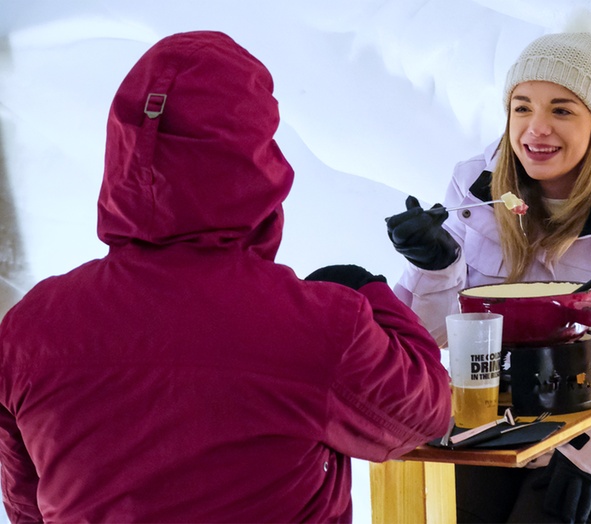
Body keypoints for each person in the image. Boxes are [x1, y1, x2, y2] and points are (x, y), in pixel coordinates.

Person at [0, 31, 451, 523]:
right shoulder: (315, 326)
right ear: (255, 159)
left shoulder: (28, 330)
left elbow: (26, 506)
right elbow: (424, 413)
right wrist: (366, 291)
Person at [386, 17, 591, 524]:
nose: (536, 128)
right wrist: (435, 267)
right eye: (522, 108)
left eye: (561, 110)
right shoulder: (474, 193)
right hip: (486, 439)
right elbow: (426, 336)